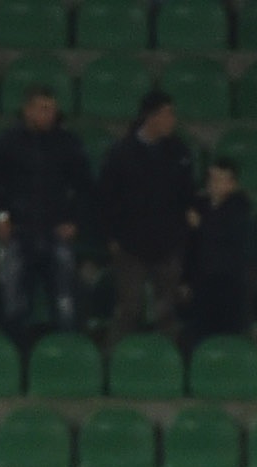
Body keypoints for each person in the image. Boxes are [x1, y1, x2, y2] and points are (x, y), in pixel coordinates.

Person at [0, 85, 87, 341]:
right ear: (27, 110)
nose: (49, 114)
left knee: (65, 305)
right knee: (14, 305)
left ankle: (65, 358)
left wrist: (74, 220)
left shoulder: (68, 144)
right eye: (43, 109)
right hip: (19, 232)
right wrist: (1, 216)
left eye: (51, 109)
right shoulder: (6, 143)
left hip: (56, 231)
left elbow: (85, 187)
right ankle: (15, 361)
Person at [96, 92, 197, 339]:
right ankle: (117, 361)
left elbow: (187, 194)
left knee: (167, 312)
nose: (172, 120)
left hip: (168, 242)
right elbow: (106, 199)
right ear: (152, 117)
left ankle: (170, 364)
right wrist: (112, 236)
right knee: (129, 309)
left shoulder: (179, 152)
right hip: (131, 243)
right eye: (167, 114)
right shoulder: (121, 154)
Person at [184, 157, 253, 342]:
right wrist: (187, 278)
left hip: (228, 282)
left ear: (232, 183)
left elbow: (228, 235)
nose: (213, 184)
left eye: (220, 179)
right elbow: (191, 247)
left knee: (229, 334)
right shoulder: (199, 206)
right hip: (202, 280)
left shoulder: (239, 207)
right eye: (211, 179)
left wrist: (202, 225)